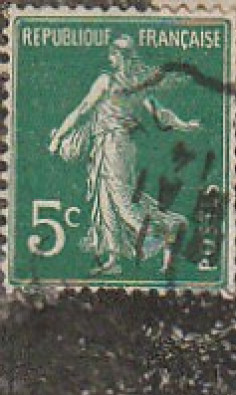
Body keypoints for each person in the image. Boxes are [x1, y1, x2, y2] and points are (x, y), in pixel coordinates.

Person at [48, 37, 199, 276]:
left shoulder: (106, 80)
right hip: (116, 145)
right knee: (106, 197)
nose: (110, 58)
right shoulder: (140, 84)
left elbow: (82, 109)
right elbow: (161, 115)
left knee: (121, 199)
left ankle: (165, 230)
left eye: (113, 54)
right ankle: (112, 258)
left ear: (118, 57)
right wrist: (184, 125)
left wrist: (58, 137)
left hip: (113, 145)